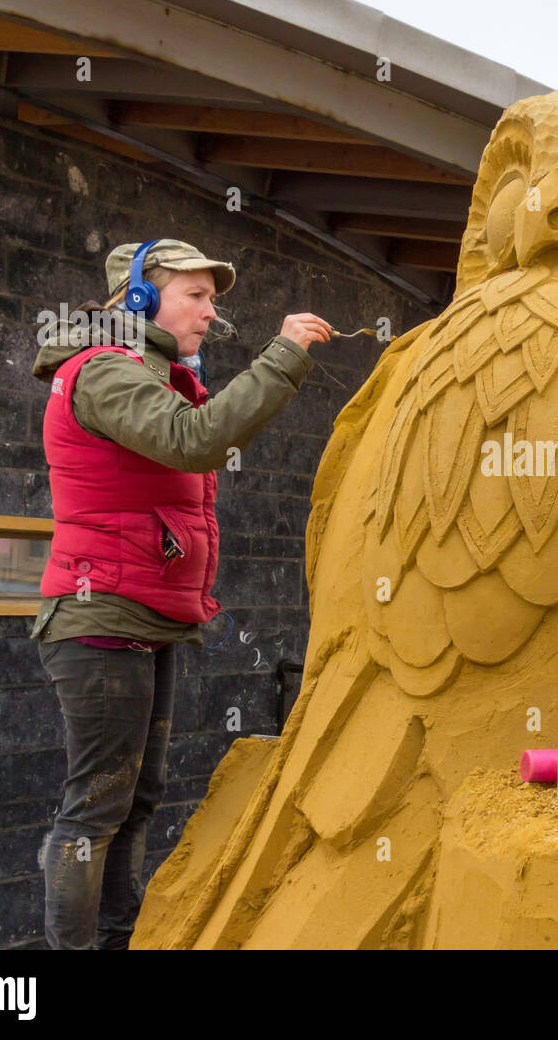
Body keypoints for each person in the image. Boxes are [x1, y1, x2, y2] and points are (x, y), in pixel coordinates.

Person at [30, 238, 333, 949]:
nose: (208, 312)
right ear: (139, 297)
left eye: (211, 299)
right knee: (93, 811)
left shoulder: (153, 373)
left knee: (135, 801)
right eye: (195, 295)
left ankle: (118, 936)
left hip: (144, 619)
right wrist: (282, 355)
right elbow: (195, 440)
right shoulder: (103, 369)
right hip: (100, 618)